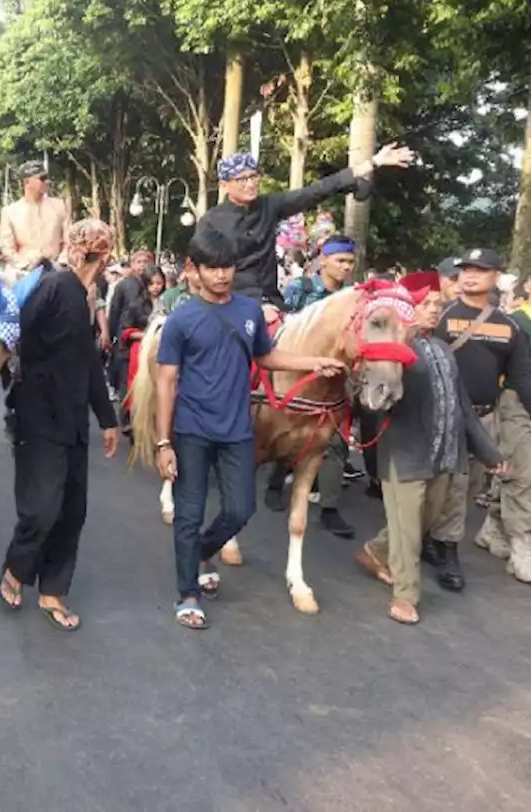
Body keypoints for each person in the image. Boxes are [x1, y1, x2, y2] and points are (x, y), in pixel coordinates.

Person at [154, 225, 345, 630]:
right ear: (195, 270)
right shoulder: (180, 320)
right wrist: (162, 442)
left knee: (241, 508)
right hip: (192, 430)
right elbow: (166, 382)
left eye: (228, 267)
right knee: (188, 513)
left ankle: (203, 551)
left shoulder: (248, 312)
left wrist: (313, 364)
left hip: (237, 429)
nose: (222, 275)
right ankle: (187, 592)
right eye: (213, 268)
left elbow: (267, 358)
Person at [355, 272, 504, 623]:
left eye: (438, 304)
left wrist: (490, 453)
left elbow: (462, 406)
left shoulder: (441, 349)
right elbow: (372, 397)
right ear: (406, 310)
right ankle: (406, 595)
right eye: (426, 304)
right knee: (409, 531)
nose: (434, 310)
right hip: (404, 456)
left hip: (443, 456)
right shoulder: (391, 352)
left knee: (423, 521)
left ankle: (375, 550)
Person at [0, 219, 122, 631]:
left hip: (72, 419)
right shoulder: (53, 287)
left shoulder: (82, 294)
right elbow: (15, 337)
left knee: (73, 509)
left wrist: (106, 419)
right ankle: (16, 568)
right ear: (102, 256)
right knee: (43, 506)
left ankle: (52, 590)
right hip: (38, 414)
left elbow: (87, 361)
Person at [197, 144, 414, 323]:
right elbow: (208, 272)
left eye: (253, 176)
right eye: (242, 179)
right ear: (225, 185)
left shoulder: (269, 205)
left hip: (275, 305)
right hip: (229, 307)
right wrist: (253, 307)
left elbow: (314, 192)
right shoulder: (211, 222)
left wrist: (372, 163)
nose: (251, 183)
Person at [432, 248, 531, 585]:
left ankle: (436, 539)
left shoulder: (510, 326)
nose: (470, 275)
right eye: (465, 269)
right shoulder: (441, 316)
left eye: (480, 270)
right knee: (452, 486)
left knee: (470, 485)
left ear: (496, 277)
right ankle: (447, 551)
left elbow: (520, 376)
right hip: (443, 415)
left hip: (485, 418)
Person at [263, 235, 361, 537]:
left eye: (349, 262)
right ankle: (275, 481)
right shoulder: (301, 288)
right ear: (323, 259)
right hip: (297, 369)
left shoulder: (352, 298)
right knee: (288, 429)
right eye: (339, 260)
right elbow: (281, 327)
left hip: (335, 377)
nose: (345, 267)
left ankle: (329, 507)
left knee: (334, 440)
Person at [0, 161, 70, 270]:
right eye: (42, 178)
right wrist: (26, 266)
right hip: (23, 273)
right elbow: (8, 249)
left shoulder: (59, 206)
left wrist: (61, 262)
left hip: (56, 271)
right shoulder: (10, 212)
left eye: (47, 178)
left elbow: (70, 240)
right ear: (27, 182)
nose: (47, 182)